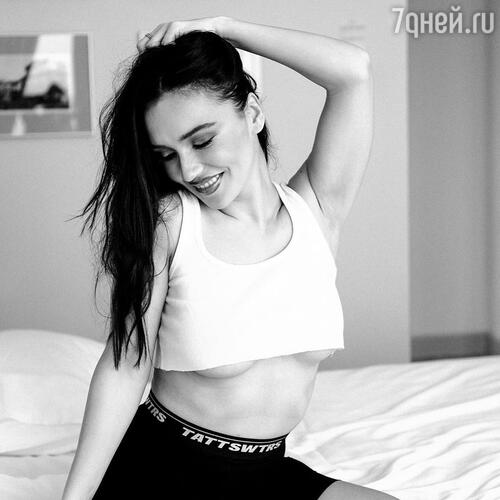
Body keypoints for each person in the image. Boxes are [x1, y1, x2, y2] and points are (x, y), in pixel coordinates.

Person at [62, 16, 397, 500]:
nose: (188, 169)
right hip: (165, 472)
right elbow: (126, 365)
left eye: (202, 140)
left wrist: (224, 28)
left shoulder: (317, 210)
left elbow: (353, 71)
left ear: (252, 112)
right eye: (166, 155)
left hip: (267, 472)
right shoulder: (172, 223)